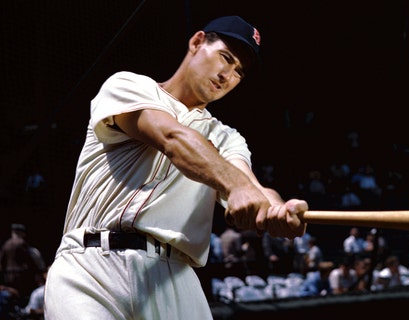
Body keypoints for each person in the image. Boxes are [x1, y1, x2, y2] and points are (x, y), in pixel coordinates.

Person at [43, 16, 308, 320]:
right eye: (226, 58)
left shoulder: (227, 137)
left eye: (239, 72)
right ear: (197, 42)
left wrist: (277, 209)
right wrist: (238, 188)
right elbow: (172, 138)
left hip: (175, 277)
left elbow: (251, 184)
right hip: (92, 266)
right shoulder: (128, 85)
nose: (228, 75)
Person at [0, 224, 47, 301]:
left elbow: (1, 261)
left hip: (8, 275)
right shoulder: (22, 243)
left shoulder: (6, 244)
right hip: (21, 275)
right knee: (22, 297)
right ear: (21, 233)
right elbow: (29, 259)